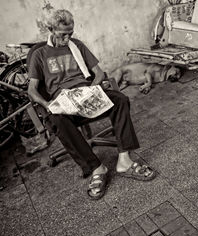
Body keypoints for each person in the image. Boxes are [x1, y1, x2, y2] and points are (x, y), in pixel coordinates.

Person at [28, 9, 156, 200]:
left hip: (86, 95)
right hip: (64, 103)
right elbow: (32, 90)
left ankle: (124, 160)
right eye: (63, 34)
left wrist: (91, 90)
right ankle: (97, 168)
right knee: (56, 119)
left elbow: (98, 73)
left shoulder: (77, 46)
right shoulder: (39, 55)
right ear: (51, 29)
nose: (67, 38)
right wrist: (47, 104)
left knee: (120, 100)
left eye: (70, 33)